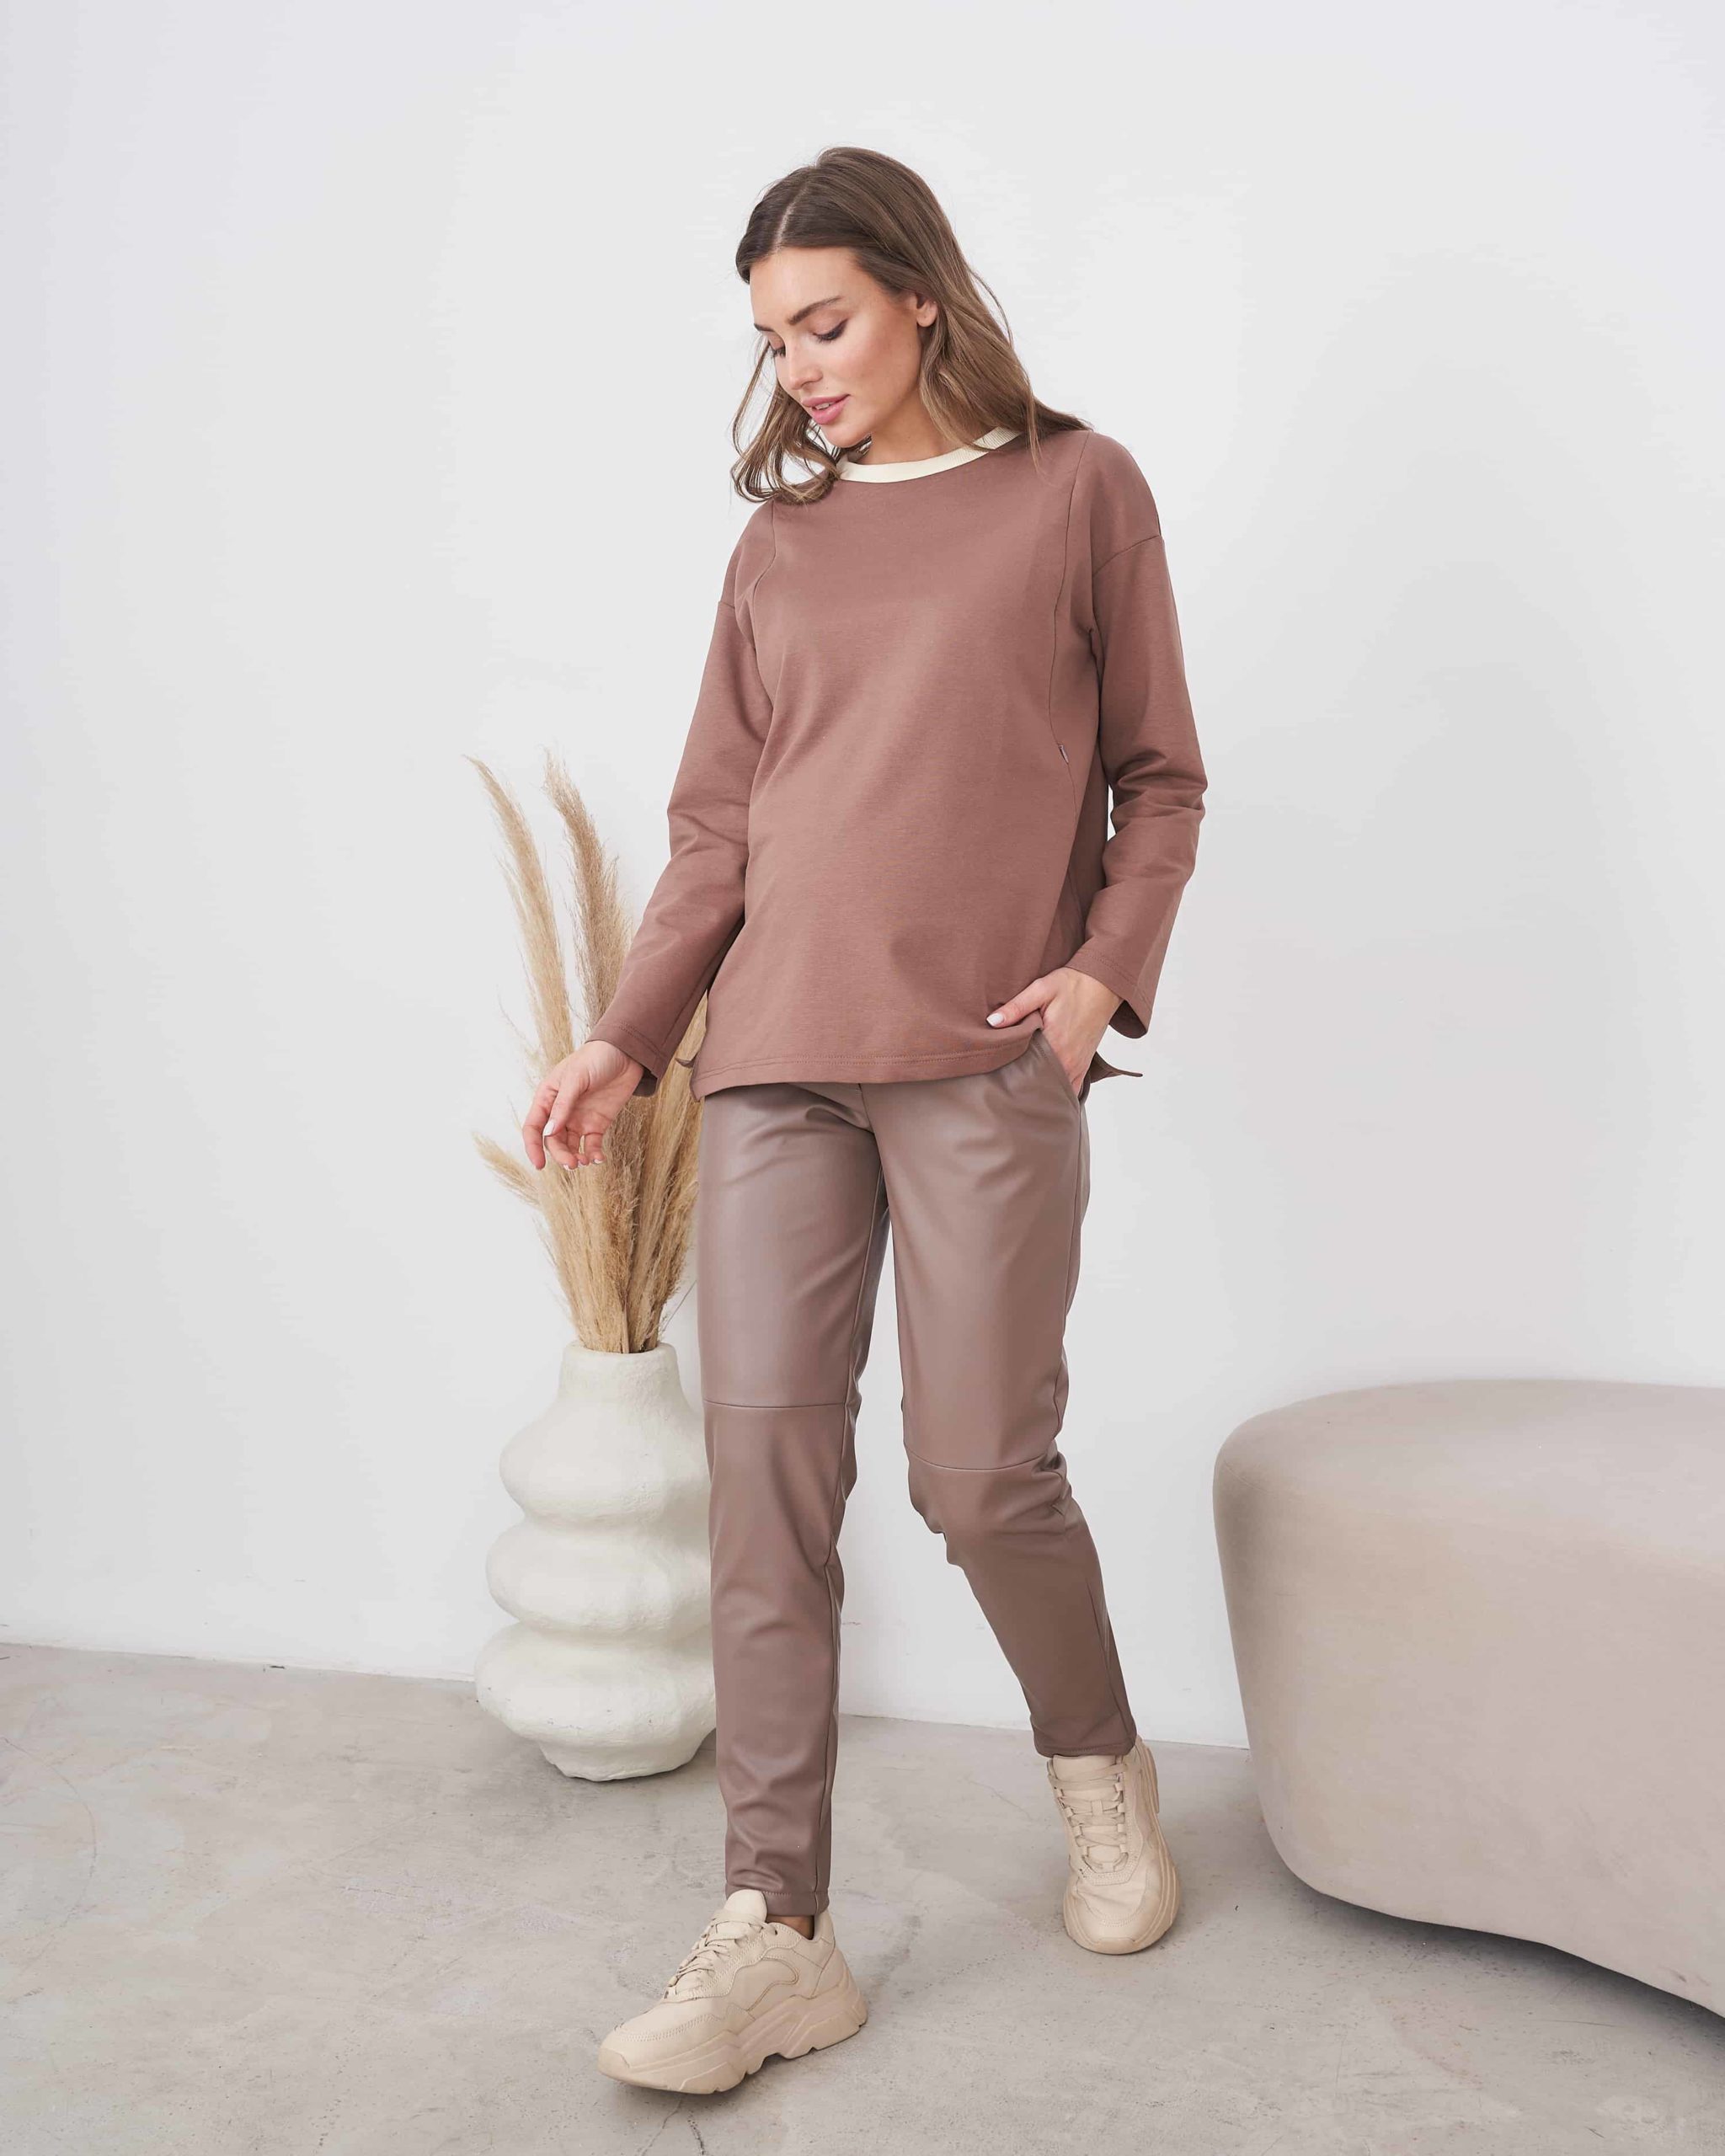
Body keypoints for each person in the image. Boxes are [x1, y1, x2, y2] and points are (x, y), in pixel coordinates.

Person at [522, 145, 1207, 2096]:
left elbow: (1159, 779)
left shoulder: (1077, 490)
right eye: (772, 340)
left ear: (918, 289)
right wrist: (628, 1035)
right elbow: (715, 830)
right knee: (764, 1481)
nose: (801, 366)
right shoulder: (781, 546)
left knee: (979, 1474)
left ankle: (1098, 1768)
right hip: (772, 1064)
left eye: (823, 321)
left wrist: (1096, 980)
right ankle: (777, 1927)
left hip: (986, 1054)